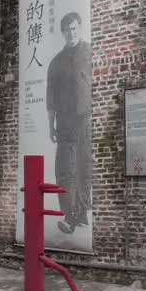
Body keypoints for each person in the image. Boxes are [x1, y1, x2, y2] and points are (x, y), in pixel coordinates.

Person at [45, 12, 92, 235]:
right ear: (62, 33)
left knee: (82, 168)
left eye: (74, 28)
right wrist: (50, 124)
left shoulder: (89, 52)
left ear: (79, 28)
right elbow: (50, 97)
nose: (71, 33)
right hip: (64, 122)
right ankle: (70, 214)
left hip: (85, 119)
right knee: (64, 169)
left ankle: (77, 215)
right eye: (67, 30)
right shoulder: (56, 63)